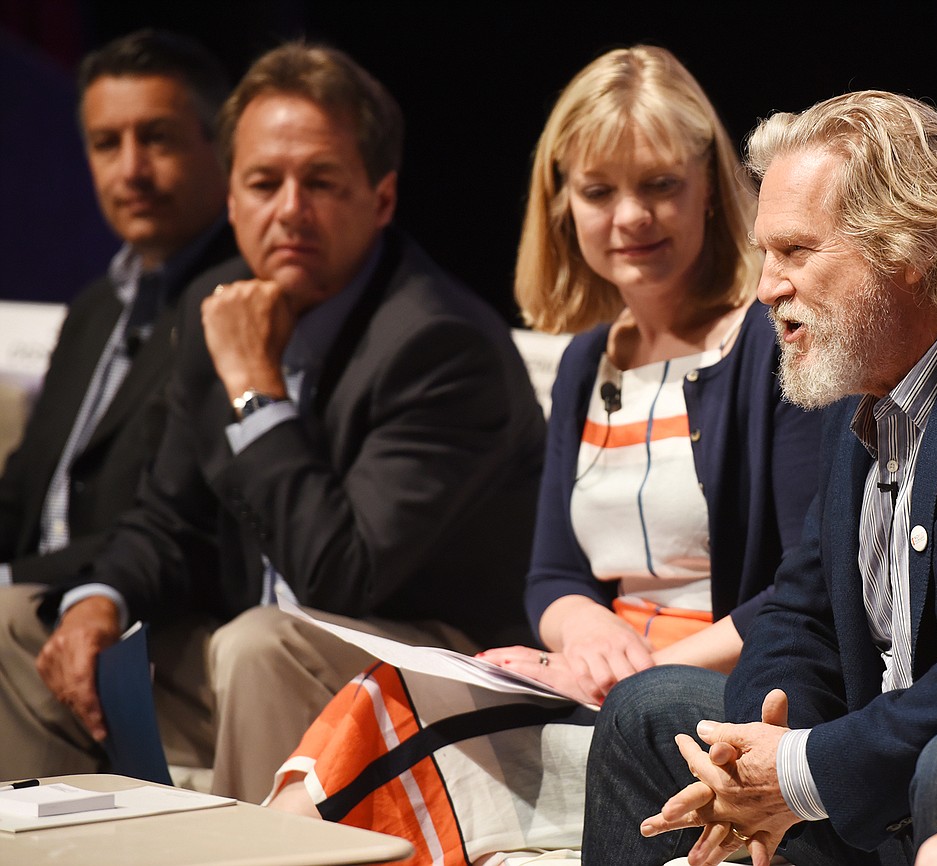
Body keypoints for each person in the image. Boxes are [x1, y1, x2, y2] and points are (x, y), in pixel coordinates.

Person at [263, 45, 822, 864]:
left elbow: (805, 588)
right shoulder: (584, 361)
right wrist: (586, 631)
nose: (630, 217)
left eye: (660, 185)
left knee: (384, 718)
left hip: (701, 699)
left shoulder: (768, 345)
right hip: (600, 685)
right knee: (380, 698)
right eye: (599, 192)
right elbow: (551, 575)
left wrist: (638, 669)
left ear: (711, 188)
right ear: (562, 205)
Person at [584, 90, 937, 866]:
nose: (766, 286)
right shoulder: (863, 377)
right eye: (766, 253)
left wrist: (806, 771)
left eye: (795, 251)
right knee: (646, 712)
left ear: (908, 249)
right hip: (888, 767)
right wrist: (771, 746)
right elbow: (803, 611)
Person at [0, 41, 546, 804]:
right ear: (232, 199)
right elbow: (169, 521)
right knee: (21, 626)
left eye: (320, 182)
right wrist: (102, 601)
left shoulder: (440, 343)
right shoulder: (219, 304)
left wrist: (255, 391)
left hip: (427, 671)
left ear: (381, 200)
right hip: (253, 656)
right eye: (264, 183)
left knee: (256, 644)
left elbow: (342, 575)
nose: (290, 210)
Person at [0, 29, 234, 589]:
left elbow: (187, 525)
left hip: (138, 612)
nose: (130, 170)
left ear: (222, 145)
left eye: (157, 138)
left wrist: (10, 581)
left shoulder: (239, 304)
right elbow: (22, 495)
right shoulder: (94, 309)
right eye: (107, 143)